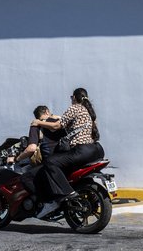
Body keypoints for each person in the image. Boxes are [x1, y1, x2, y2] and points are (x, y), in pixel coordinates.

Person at [32, 87, 104, 218]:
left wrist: (39, 122)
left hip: (82, 151)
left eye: (71, 97)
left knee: (50, 162)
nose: (71, 100)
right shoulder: (89, 111)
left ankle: (66, 192)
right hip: (96, 150)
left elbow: (56, 126)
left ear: (75, 98)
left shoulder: (75, 108)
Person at [14, 106, 66, 194]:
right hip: (66, 158)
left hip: (50, 161)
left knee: (25, 178)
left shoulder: (36, 124)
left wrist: (17, 159)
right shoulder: (60, 122)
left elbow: (32, 148)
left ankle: (47, 201)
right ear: (47, 112)